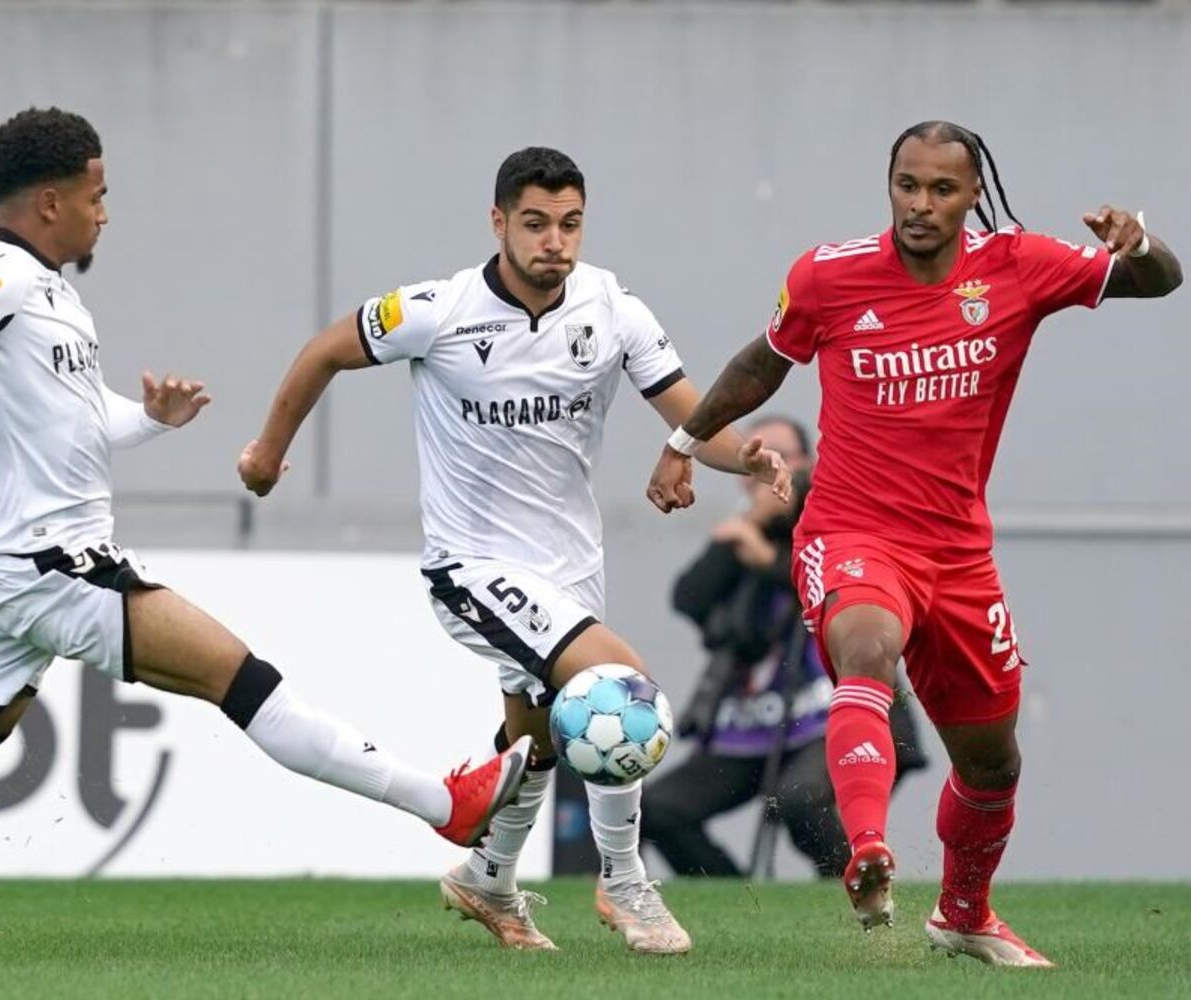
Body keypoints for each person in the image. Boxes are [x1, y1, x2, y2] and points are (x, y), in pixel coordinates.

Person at [0, 107, 532, 936]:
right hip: (49, 564)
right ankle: (446, 806)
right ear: (49, 203)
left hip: (14, 561)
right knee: (242, 680)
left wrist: (149, 419)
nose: (105, 212)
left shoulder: (54, 297)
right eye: (96, 195)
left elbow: (75, 424)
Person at [645, 120, 1181, 966]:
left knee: (993, 763)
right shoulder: (828, 274)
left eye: (941, 188)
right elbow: (764, 361)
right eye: (907, 184)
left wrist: (1139, 243)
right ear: (889, 184)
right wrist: (684, 443)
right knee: (868, 648)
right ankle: (868, 852)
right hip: (851, 530)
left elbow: (1161, 282)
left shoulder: (1020, 265)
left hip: (959, 554)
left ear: (973, 194)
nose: (920, 204)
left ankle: (964, 914)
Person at [239, 147, 790, 953]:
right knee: (620, 689)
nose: (554, 242)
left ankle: (487, 877)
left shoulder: (612, 308)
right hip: (471, 567)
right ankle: (625, 882)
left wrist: (745, 457)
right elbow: (325, 350)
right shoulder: (438, 310)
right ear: (498, 222)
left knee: (534, 742)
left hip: (571, 569)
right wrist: (265, 454)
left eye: (570, 224)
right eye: (535, 223)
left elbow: (691, 413)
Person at [641, 417, 925, 879]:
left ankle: (857, 888)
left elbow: (839, 584)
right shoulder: (745, 532)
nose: (769, 467)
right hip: (753, 724)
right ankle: (736, 902)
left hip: (833, 716)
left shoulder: (836, 516)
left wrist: (769, 558)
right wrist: (750, 529)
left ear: (808, 464)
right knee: (656, 808)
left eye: (782, 455)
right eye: (757, 456)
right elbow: (689, 598)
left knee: (801, 800)